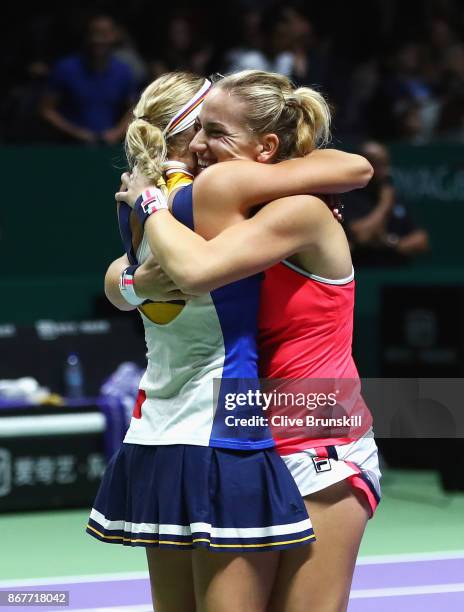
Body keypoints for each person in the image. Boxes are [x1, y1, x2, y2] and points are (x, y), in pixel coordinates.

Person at [89, 71, 371, 612]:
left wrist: (148, 206)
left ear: (266, 147)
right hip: (237, 436)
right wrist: (132, 279)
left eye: (215, 132)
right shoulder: (204, 208)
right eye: (197, 132)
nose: (199, 146)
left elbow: (357, 167)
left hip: (315, 441)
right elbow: (126, 276)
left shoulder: (295, 209)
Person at [40, 14, 137, 144]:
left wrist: (117, 132)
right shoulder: (65, 69)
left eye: (104, 34)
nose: (98, 39)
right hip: (69, 147)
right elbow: (46, 109)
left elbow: (135, 109)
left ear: (115, 35)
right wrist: (77, 133)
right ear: (86, 36)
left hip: (109, 148)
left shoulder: (123, 71)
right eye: (94, 33)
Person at [344, 140, 429, 266]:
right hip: (364, 273)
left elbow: (422, 241)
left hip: (396, 272)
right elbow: (362, 236)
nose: (387, 171)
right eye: (380, 164)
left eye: (387, 163)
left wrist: (392, 243)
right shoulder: (347, 196)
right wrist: (384, 205)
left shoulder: (390, 193)